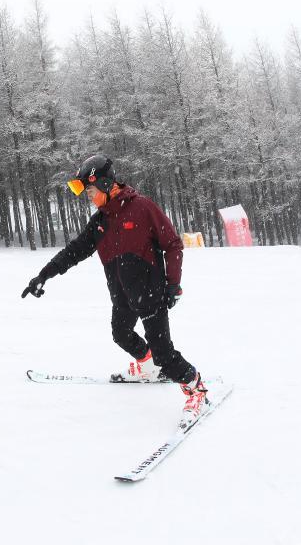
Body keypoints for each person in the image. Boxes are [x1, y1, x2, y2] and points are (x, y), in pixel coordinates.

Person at [21, 154, 207, 428]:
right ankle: (147, 366)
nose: (89, 197)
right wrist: (44, 275)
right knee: (121, 334)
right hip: (122, 295)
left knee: (165, 355)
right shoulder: (100, 222)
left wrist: (173, 283)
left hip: (152, 294)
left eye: (92, 191)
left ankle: (196, 389)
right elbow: (73, 251)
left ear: (107, 185)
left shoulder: (142, 208)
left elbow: (173, 244)